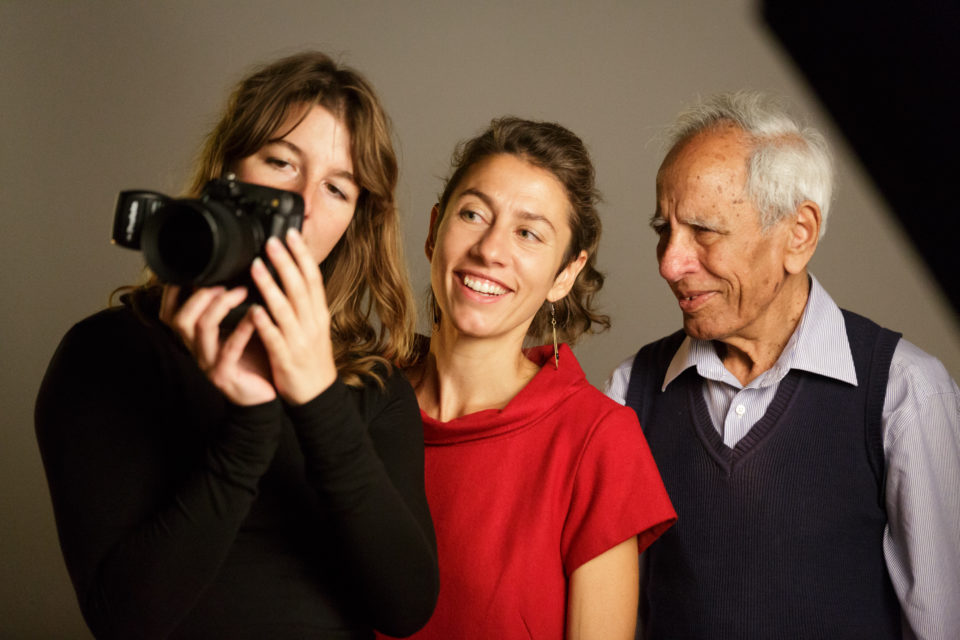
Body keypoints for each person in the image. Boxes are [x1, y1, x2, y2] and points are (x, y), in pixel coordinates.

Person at [35, 51, 438, 639]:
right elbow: (125, 620)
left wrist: (319, 397)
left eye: (336, 188)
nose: (300, 203)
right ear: (227, 172)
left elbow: (406, 609)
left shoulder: (373, 387)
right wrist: (249, 427)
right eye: (279, 162)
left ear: (356, 218)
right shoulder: (105, 356)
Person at [605, 91, 960, 639]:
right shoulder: (631, 392)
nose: (671, 263)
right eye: (664, 231)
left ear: (799, 234)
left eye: (704, 231)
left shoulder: (906, 392)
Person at [392, 117, 676, 640]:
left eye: (528, 233)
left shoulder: (598, 439)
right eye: (473, 214)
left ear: (565, 275)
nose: (490, 250)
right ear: (435, 231)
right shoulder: (352, 399)